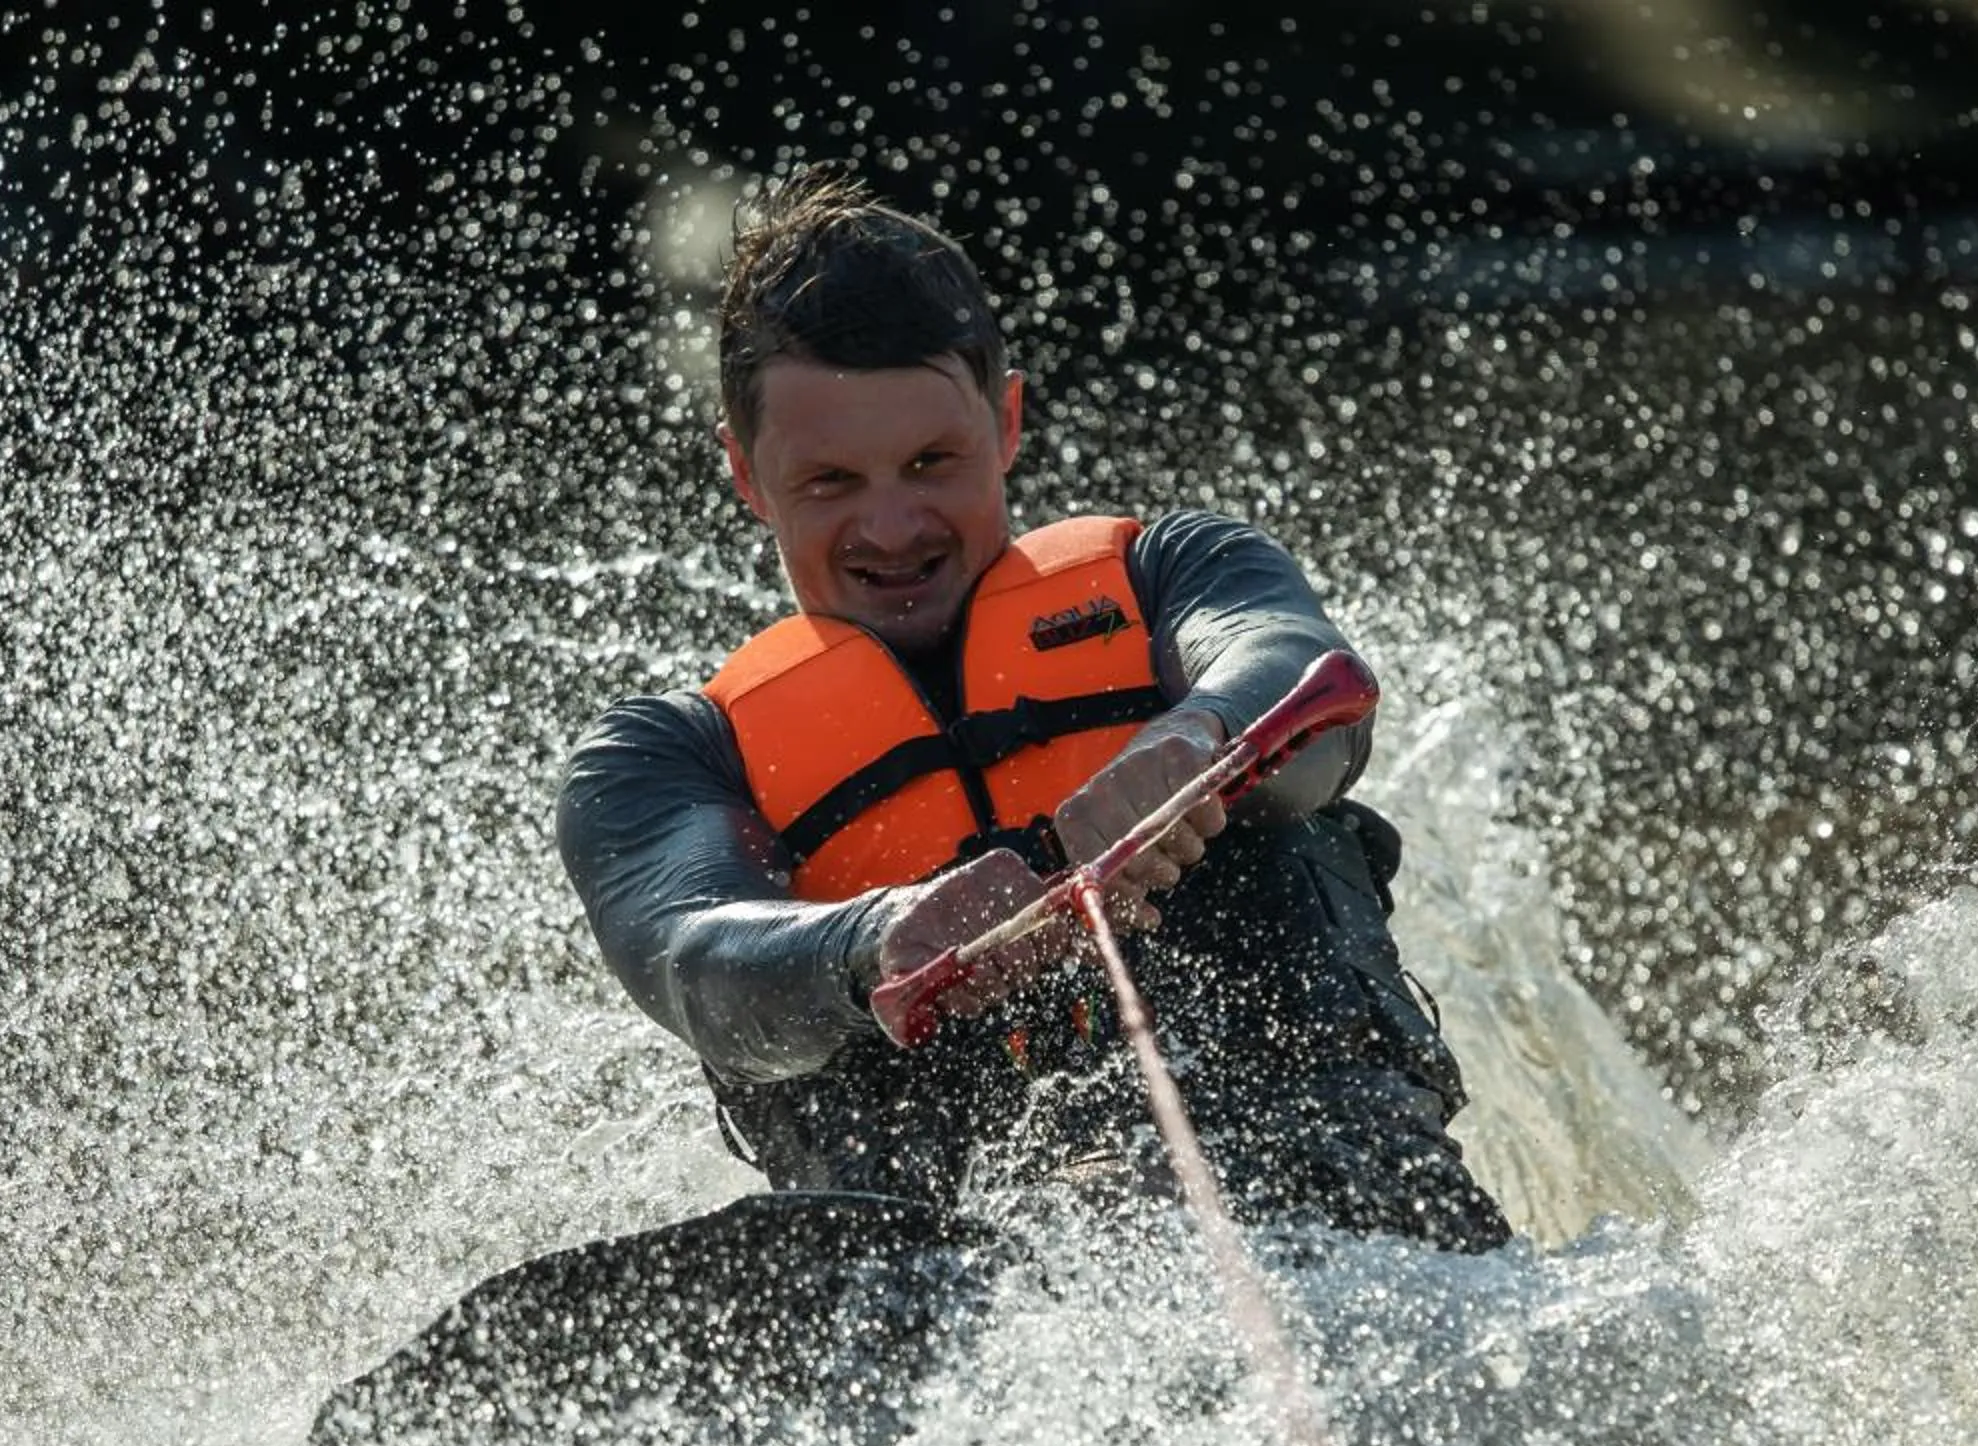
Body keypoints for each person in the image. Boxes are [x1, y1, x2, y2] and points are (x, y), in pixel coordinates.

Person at [556, 167, 1512, 1255]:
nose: (893, 526)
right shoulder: (665, 760)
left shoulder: (1178, 574)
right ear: (745, 474)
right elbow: (690, 956)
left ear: (1006, 423)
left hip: (1341, 1199)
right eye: (830, 483)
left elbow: (1303, 678)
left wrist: (1195, 744)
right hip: (944, 1264)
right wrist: (879, 940)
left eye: (931, 462)